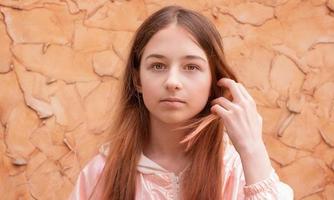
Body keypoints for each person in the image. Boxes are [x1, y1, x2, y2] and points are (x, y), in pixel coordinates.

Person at [68, 5, 294, 200]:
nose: (172, 82)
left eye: (191, 67)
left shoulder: (237, 170)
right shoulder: (101, 173)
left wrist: (253, 149)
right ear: (138, 79)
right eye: (158, 66)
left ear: (213, 80)